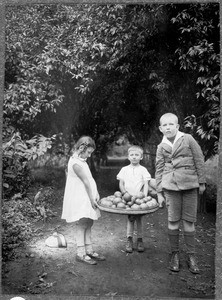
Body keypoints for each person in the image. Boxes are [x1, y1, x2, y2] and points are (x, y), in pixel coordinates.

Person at [155, 113, 206, 274]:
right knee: (173, 221)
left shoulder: (187, 138)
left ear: (177, 126)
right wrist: (159, 192)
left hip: (190, 184)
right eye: (165, 125)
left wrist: (202, 182)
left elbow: (199, 158)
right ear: (161, 128)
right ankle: (174, 254)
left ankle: (191, 256)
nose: (168, 127)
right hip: (170, 187)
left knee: (189, 222)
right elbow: (159, 169)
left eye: (171, 124)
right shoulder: (161, 146)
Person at [61, 136, 105, 265]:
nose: (90, 155)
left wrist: (95, 193)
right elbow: (85, 182)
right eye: (89, 152)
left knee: (89, 222)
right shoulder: (75, 163)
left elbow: (90, 180)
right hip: (81, 196)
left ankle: (89, 249)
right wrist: (91, 199)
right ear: (81, 148)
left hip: (87, 194)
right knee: (83, 223)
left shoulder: (81, 159)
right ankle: (81, 253)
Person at [117, 145, 151, 253]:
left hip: (138, 199)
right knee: (130, 219)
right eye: (132, 155)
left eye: (137, 155)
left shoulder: (143, 169)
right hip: (128, 198)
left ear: (141, 157)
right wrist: (124, 193)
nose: (134, 157)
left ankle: (140, 240)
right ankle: (129, 239)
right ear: (128, 157)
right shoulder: (124, 169)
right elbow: (121, 183)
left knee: (139, 219)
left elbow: (146, 184)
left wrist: (144, 197)